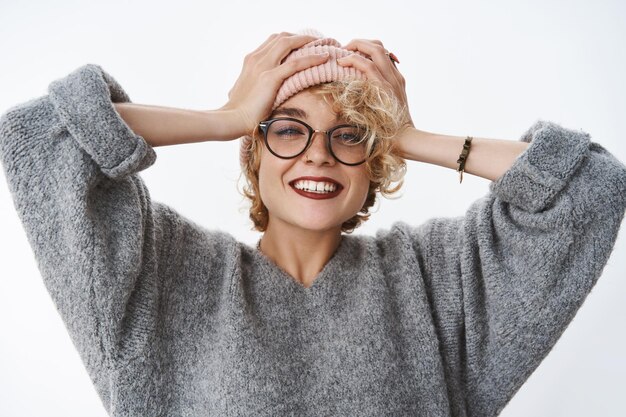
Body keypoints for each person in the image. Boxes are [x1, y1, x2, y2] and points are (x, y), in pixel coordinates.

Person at [0, 30, 624, 417]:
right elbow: (42, 135)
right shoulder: (163, 275)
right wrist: (226, 117)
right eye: (288, 130)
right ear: (255, 151)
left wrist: (410, 133)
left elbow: (590, 187)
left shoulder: (437, 284)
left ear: (375, 162)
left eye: (350, 135)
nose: (318, 154)